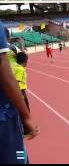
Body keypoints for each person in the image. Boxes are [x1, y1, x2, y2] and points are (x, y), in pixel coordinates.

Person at [0, 22, 39, 164]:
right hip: (5, 115)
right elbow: (7, 77)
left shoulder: (13, 56)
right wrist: (26, 116)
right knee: (18, 157)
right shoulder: (15, 61)